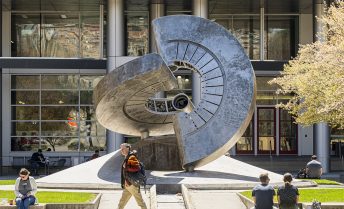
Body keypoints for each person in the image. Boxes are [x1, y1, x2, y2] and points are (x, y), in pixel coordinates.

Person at [118, 143, 147, 209]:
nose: (121, 150)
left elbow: (137, 168)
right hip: (128, 185)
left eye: (123, 149)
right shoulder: (127, 157)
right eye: (121, 149)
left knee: (140, 203)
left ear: (127, 148)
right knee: (121, 203)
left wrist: (126, 167)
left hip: (132, 185)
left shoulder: (131, 157)